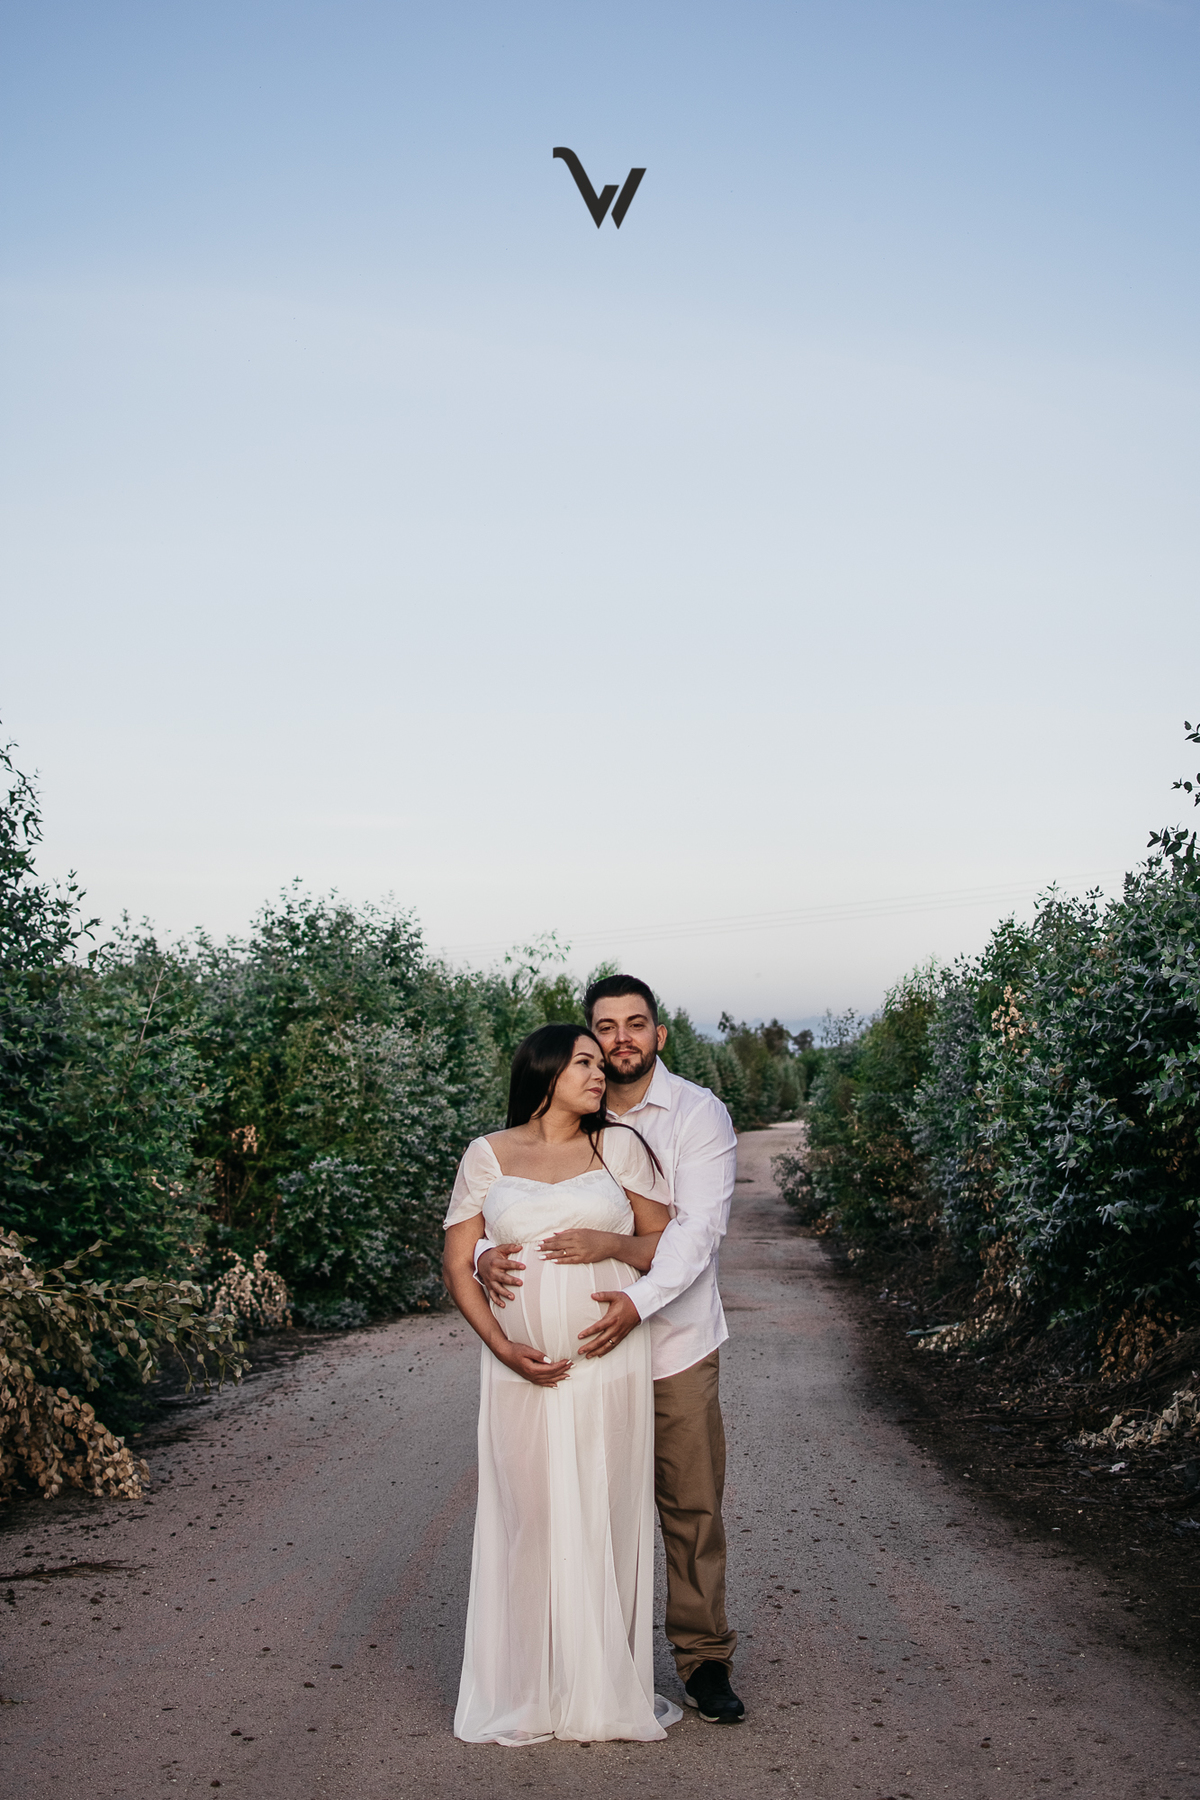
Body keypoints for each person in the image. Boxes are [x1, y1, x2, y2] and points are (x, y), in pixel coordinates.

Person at [478, 974, 746, 1725]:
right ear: (585, 1042)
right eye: (605, 1028)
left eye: (637, 1024)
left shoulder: (697, 1114)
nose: (621, 1040)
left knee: (688, 1502)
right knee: (571, 1499)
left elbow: (695, 1232)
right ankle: (575, 1661)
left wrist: (636, 1302)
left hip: (672, 1343)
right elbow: (506, 1211)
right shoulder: (568, 1111)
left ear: (660, 1034)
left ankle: (704, 1660)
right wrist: (477, 1262)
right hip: (580, 1358)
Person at [441, 1022, 684, 1745]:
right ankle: (530, 1689)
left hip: (607, 1358)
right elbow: (458, 1264)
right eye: (583, 1061)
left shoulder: (619, 1148)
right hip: (519, 1370)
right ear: (545, 1072)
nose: (599, 1071)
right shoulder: (487, 1155)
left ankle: (600, 1688)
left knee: (603, 1503)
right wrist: (503, 1347)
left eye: (599, 1063)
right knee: (532, 1514)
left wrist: (612, 1246)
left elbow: (666, 1243)